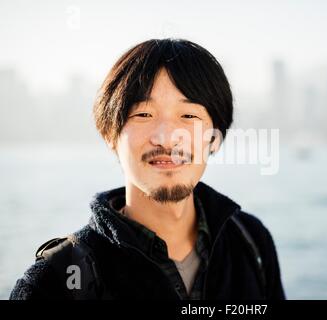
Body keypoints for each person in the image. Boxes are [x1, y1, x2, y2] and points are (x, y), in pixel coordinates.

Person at [10, 39, 285, 300]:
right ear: (110, 134)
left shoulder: (250, 241)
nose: (166, 138)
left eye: (188, 115)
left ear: (214, 137)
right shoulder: (56, 281)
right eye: (143, 114)